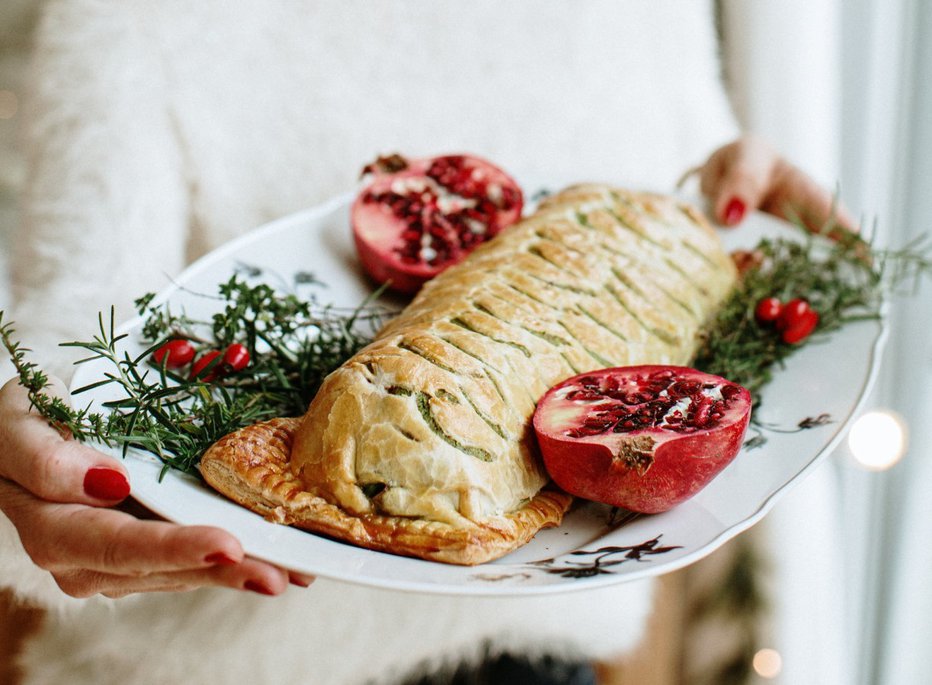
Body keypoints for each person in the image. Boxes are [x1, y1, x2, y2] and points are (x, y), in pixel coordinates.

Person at [0, 2, 851, 683]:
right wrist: (42, 477)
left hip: (537, 658)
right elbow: (72, 354)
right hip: (204, 665)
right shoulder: (128, 17)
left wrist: (734, 197)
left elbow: (680, 200)